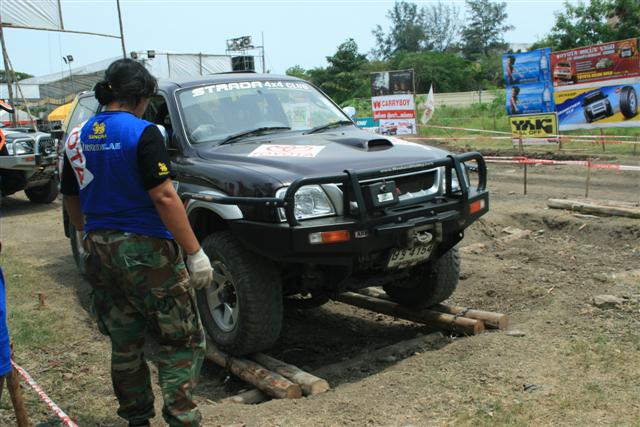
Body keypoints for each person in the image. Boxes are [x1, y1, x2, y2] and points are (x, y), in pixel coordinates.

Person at [61, 59, 213, 427]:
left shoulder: (77, 136)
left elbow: (70, 195)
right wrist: (195, 252)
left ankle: (137, 418)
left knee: (125, 341)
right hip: (147, 252)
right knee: (180, 338)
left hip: (98, 248)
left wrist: (88, 232)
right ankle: (182, 418)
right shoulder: (145, 133)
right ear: (141, 97)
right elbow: (163, 195)